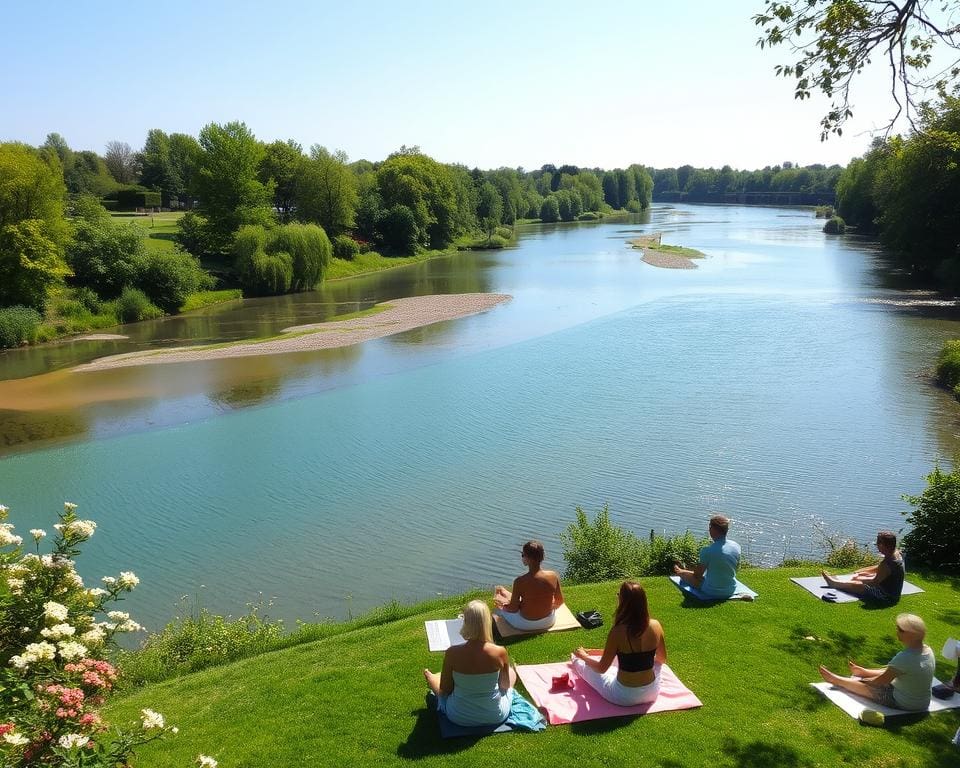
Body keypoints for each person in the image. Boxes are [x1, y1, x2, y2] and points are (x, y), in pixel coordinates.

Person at [570, 580, 666, 706]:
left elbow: (601, 668)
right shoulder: (656, 625)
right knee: (653, 664)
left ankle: (577, 659)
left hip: (624, 696)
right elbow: (661, 659)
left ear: (622, 601)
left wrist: (583, 656)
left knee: (582, 664)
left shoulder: (618, 631)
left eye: (618, 595)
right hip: (652, 693)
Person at [423, 600, 515, 726]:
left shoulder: (452, 653)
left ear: (466, 623)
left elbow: (446, 689)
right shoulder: (500, 652)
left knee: (438, 686)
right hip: (495, 715)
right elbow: (504, 686)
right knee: (510, 672)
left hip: (458, 715)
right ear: (487, 623)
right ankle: (433, 677)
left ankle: (431, 677)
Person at [818, 613, 935, 711]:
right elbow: (894, 671)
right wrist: (866, 673)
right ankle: (864, 671)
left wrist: (863, 681)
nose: (896, 631)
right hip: (922, 702)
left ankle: (837, 680)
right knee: (888, 674)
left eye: (900, 629)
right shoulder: (927, 651)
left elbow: (880, 682)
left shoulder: (905, 657)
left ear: (910, 635)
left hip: (906, 703)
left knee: (870, 689)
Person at [493, 540, 564, 631]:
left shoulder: (520, 581)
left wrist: (503, 606)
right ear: (542, 557)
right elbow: (560, 600)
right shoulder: (553, 576)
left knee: (498, 610)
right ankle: (505, 592)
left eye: (523, 555)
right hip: (548, 620)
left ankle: (502, 593)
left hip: (525, 624)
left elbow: (514, 609)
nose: (522, 557)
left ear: (528, 558)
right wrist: (544, 606)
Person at [821, 530, 905, 604]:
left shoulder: (888, 562)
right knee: (861, 576)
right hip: (891, 590)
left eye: (878, 544)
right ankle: (843, 582)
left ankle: (834, 583)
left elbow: (874, 582)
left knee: (858, 584)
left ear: (883, 545)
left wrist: (860, 580)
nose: (877, 547)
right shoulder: (896, 553)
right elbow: (881, 569)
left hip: (887, 597)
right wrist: (861, 572)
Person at [672, 515, 741, 599]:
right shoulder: (736, 546)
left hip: (712, 590)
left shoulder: (707, 550)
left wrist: (685, 573)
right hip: (731, 589)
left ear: (713, 530)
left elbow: (697, 575)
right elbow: (734, 568)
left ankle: (679, 571)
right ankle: (681, 570)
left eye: (710, 527)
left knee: (685, 576)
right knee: (706, 575)